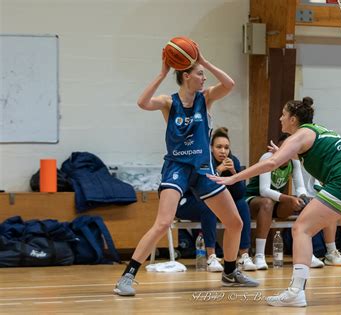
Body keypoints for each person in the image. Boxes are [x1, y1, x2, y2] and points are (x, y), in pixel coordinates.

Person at [209, 96, 341, 307]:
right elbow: (308, 154)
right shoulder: (317, 130)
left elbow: (271, 163)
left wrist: (234, 177)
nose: (280, 118)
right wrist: (284, 152)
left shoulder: (299, 135)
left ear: (293, 119)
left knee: (301, 228)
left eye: (283, 114)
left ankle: (296, 291)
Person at [114, 50, 259, 296]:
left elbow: (229, 84)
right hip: (177, 167)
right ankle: (127, 276)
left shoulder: (206, 98)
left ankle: (230, 271)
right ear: (186, 76)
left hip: (203, 169)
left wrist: (204, 61)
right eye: (200, 74)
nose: (204, 78)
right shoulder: (169, 103)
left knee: (235, 222)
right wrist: (162, 73)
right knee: (162, 223)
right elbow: (141, 102)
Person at [176, 127, 256, 272]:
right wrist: (218, 170)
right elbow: (202, 189)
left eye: (226, 147)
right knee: (208, 205)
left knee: (242, 204)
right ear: (211, 148)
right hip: (188, 200)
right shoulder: (203, 161)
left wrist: (234, 173)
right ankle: (211, 256)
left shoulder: (233, 161)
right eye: (219, 147)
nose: (223, 151)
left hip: (214, 202)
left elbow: (240, 194)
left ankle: (244, 254)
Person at [246, 133, 325, 269]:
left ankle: (308, 254)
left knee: (306, 203)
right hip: (254, 201)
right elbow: (263, 191)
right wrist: (289, 198)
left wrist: (303, 198)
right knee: (267, 202)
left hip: (275, 203)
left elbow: (300, 186)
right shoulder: (268, 158)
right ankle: (259, 255)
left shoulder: (294, 162)